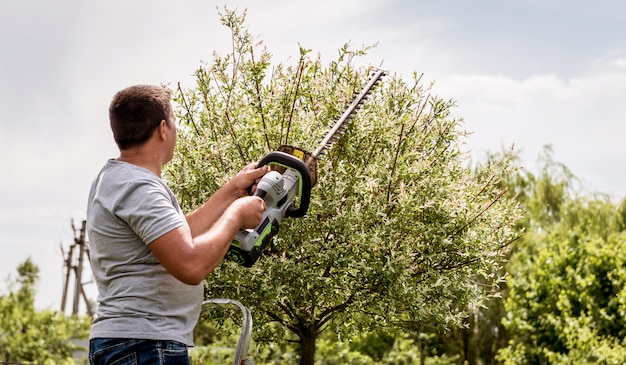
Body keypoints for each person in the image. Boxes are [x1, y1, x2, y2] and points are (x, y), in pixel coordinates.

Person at [86, 84, 268, 365]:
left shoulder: (119, 179)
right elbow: (190, 265)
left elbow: (177, 238)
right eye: (174, 121)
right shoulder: (138, 187)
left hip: (133, 342)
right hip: (145, 344)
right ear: (162, 128)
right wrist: (236, 215)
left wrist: (232, 191)